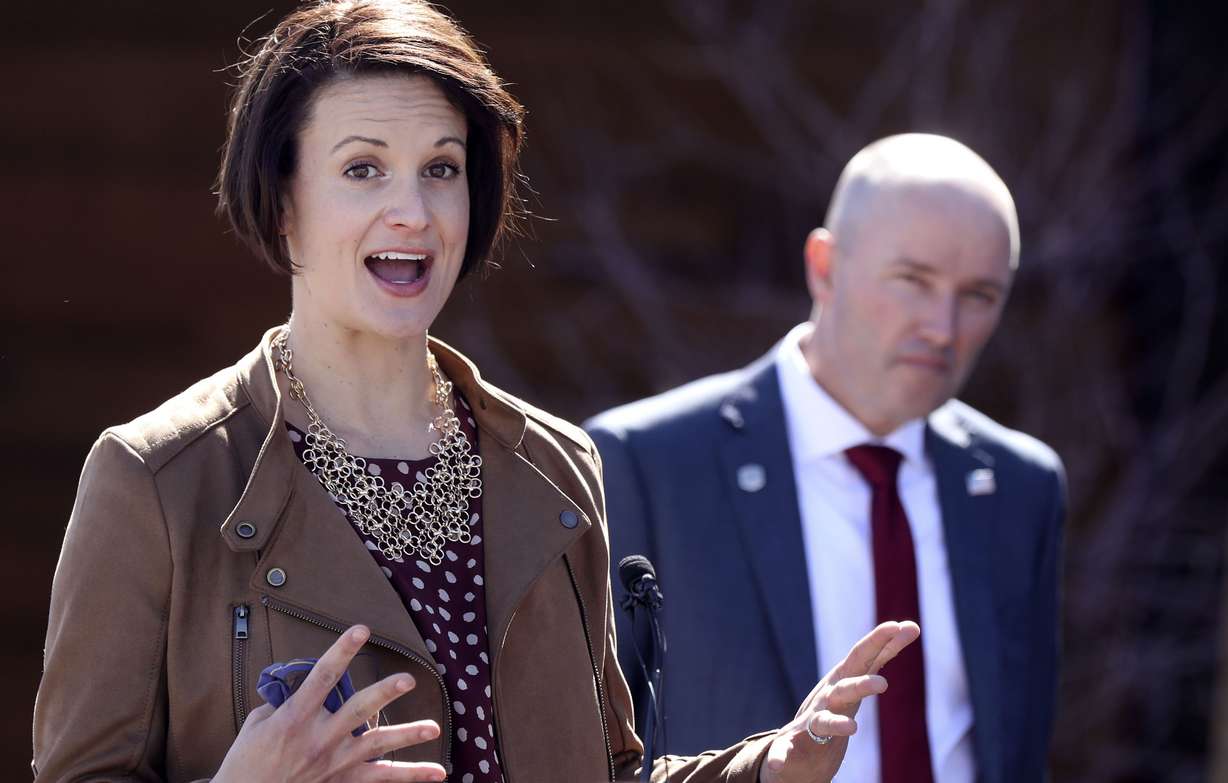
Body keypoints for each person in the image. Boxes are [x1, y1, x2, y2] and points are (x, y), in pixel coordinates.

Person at [30, 2, 920, 782]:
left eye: (442, 168)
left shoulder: (557, 465)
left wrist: (768, 766)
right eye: (363, 169)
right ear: (282, 198)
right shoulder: (157, 479)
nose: (413, 211)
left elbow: (609, 768)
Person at [587, 134, 1066, 783]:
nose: (943, 327)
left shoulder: (1021, 487)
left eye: (979, 294)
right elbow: (591, 756)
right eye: (913, 281)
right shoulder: (646, 464)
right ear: (824, 265)